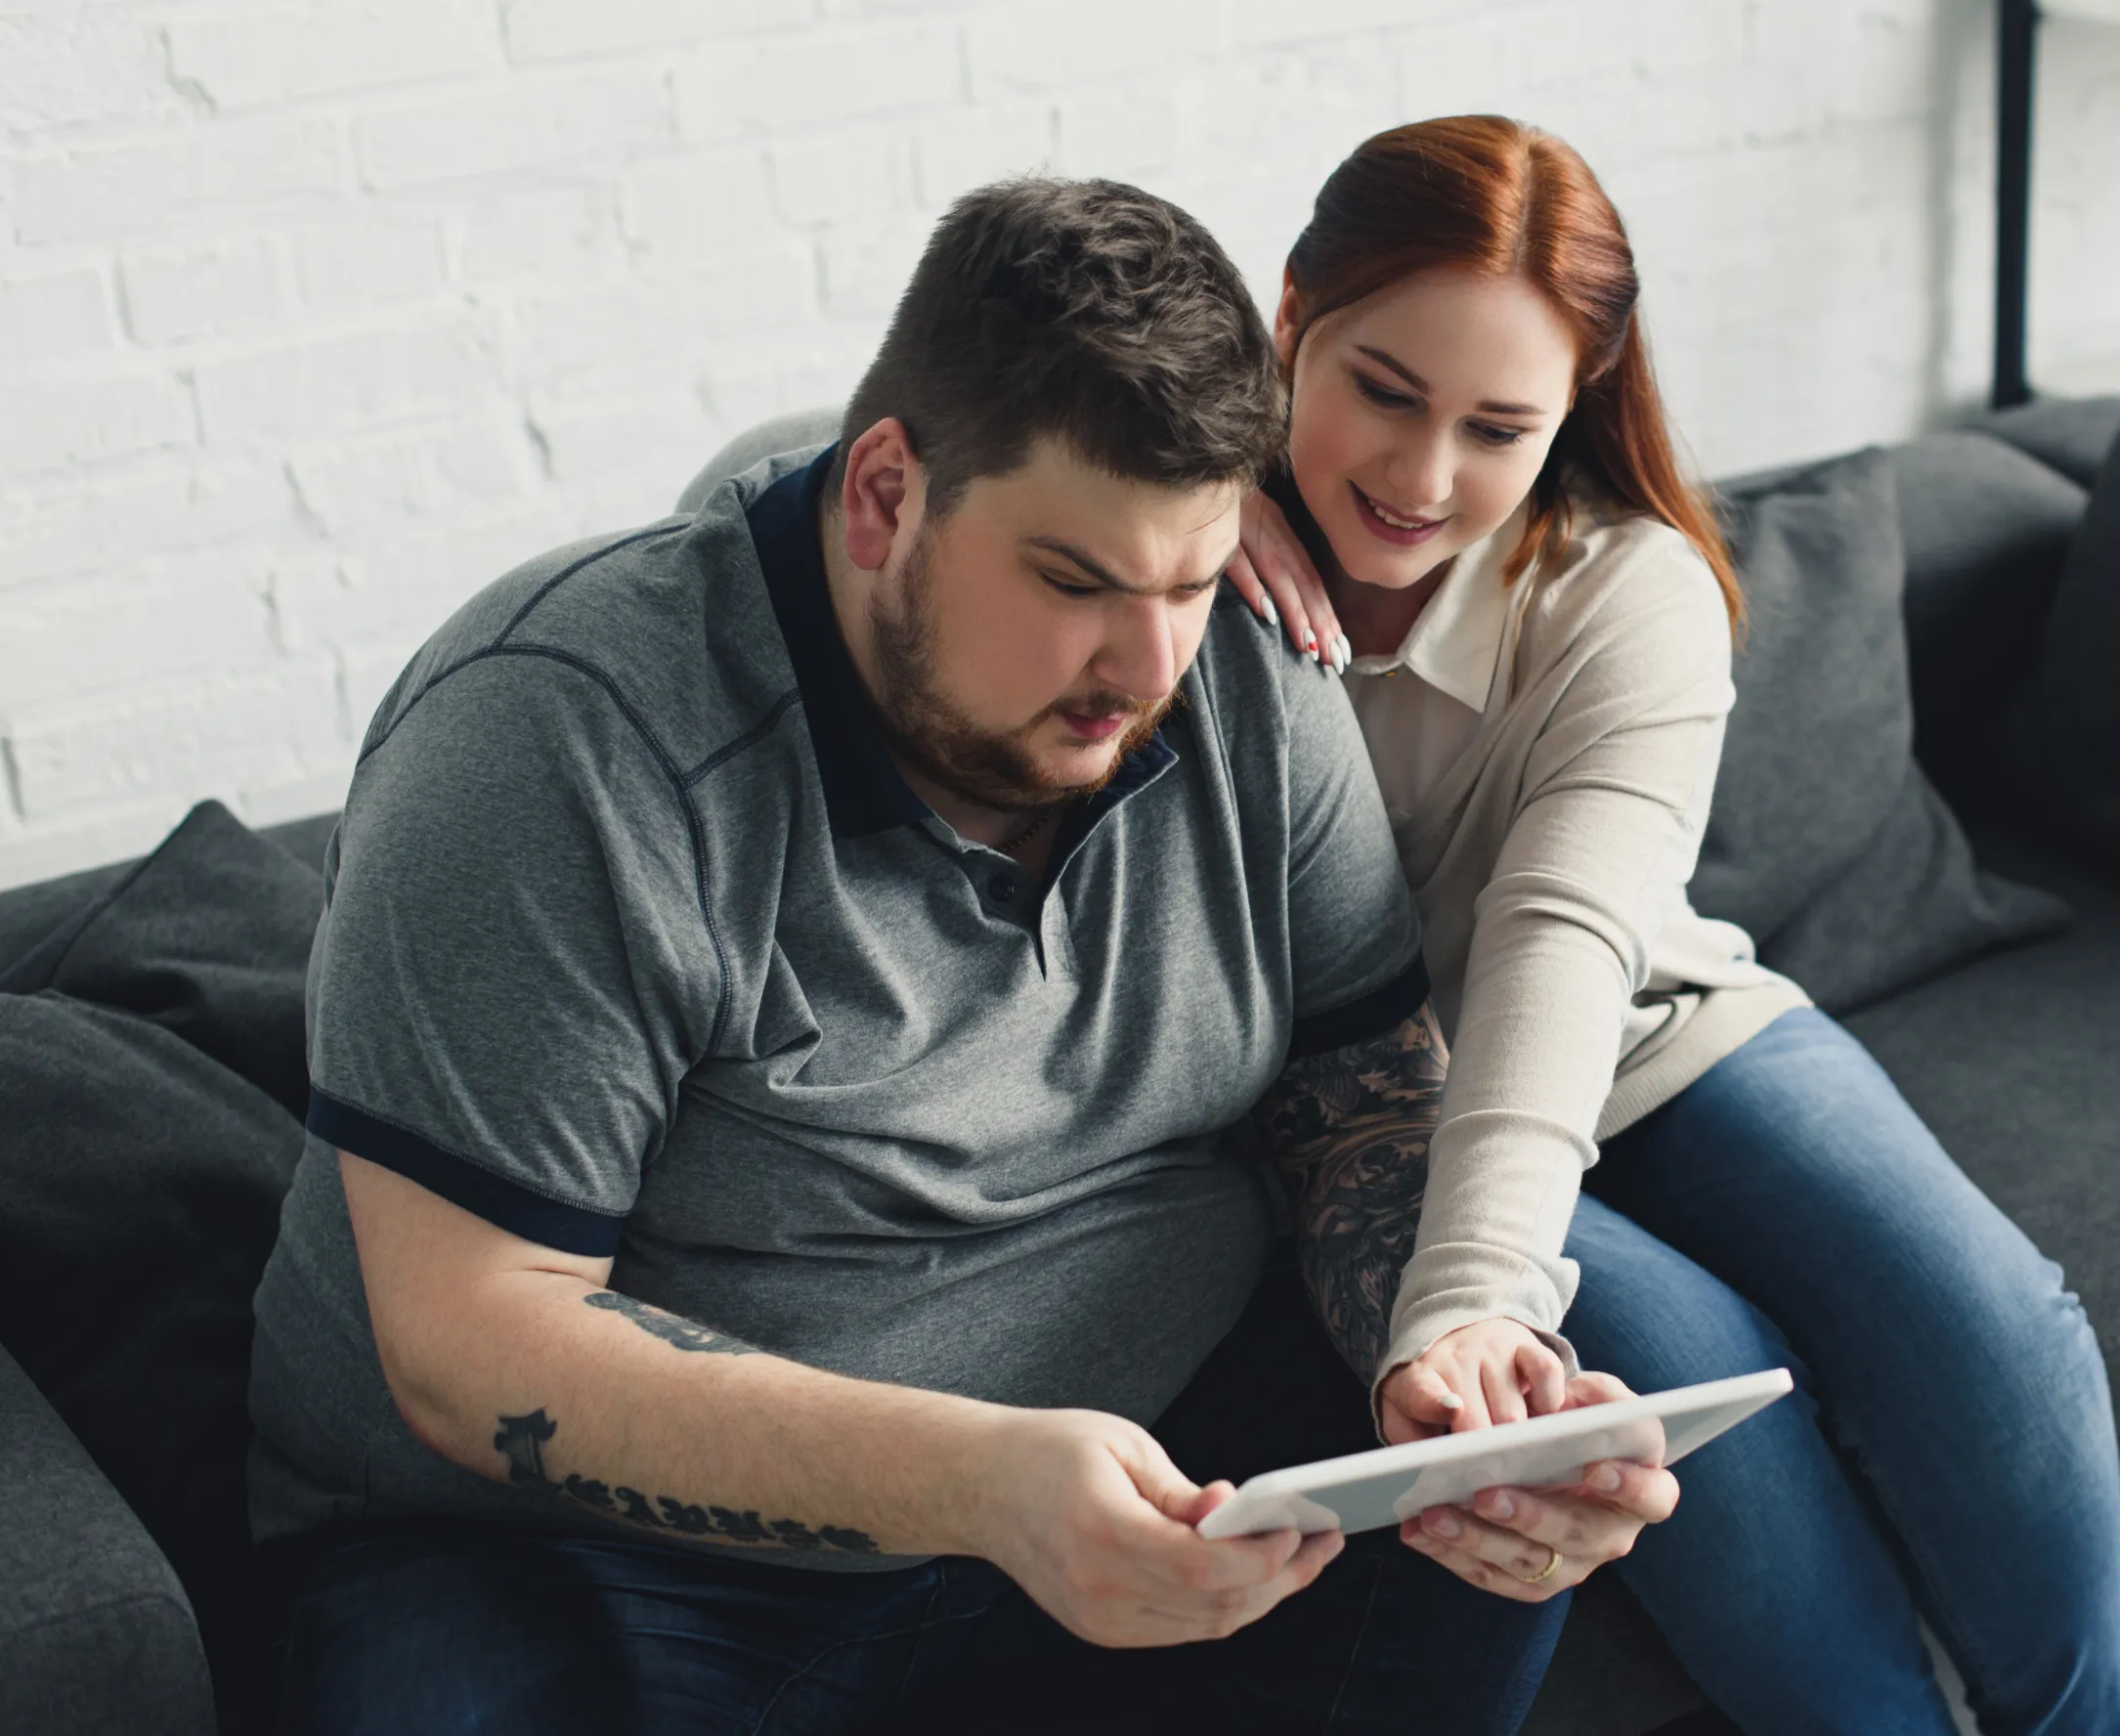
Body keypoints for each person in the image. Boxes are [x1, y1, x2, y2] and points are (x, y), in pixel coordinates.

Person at [244, 176, 1677, 1736]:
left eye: (1191, 582)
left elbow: (1367, 1100)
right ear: (882, 496)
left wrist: (1447, 1376)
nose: (1144, 670)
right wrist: (977, 1483)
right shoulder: (560, 737)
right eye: (1075, 583)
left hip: (1158, 1454)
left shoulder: (1247, 671)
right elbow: (474, 1341)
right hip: (590, 1557)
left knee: (1485, 1534)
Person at [1221, 116, 2120, 1734]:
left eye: (1498, 427)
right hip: (1390, 1110)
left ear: (1575, 409)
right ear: (1292, 315)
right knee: (1684, 1427)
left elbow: (1565, 946)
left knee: (1999, 1334)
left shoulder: (1631, 588)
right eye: (1380, 390)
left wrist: (1472, 1289)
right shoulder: (1162, 556)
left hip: (1645, 1025)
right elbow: (859, 460)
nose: (1422, 480)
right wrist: (1187, 478)